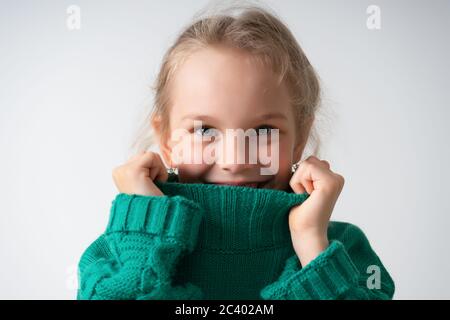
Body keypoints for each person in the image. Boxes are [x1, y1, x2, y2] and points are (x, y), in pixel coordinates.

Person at [77, 4, 395, 300]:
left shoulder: (343, 254)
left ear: (300, 139)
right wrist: (146, 221)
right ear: (167, 140)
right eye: (205, 131)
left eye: (263, 131)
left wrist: (311, 244)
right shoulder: (119, 253)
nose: (234, 161)